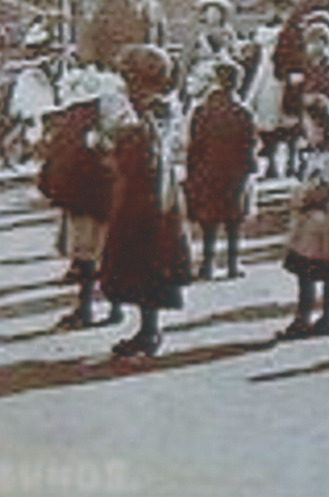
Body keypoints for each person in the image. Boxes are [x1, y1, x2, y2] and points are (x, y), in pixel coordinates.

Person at [99, 45, 195, 358]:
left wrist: (109, 145)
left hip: (143, 197)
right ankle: (147, 329)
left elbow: (139, 155)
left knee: (145, 261)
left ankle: (149, 332)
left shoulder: (148, 115)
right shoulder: (161, 107)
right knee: (150, 261)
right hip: (158, 193)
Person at [39, 74, 124, 330]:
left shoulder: (72, 121)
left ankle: (85, 308)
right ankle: (115, 307)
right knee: (109, 252)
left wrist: (54, 190)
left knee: (86, 255)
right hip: (112, 196)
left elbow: (60, 160)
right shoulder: (115, 114)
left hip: (84, 199)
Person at [276, 95, 329, 339]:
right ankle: (328, 317)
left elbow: (322, 184)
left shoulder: (327, 154)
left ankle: (304, 318)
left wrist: (300, 200)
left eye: (308, 125)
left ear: (319, 125)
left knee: (308, 268)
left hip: (321, 213)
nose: (306, 130)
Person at [183, 59, 258, 280]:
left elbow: (194, 144)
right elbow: (250, 144)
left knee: (209, 220)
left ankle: (207, 264)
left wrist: (192, 172)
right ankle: (233, 264)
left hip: (207, 169)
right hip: (235, 171)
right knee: (233, 219)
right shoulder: (242, 111)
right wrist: (249, 170)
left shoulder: (202, 110)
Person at [79, 0, 165, 70]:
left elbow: (160, 38)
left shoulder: (154, 9)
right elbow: (91, 32)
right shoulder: (108, 4)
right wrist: (88, 61)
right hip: (109, 62)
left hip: (141, 67)